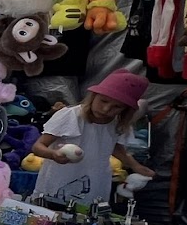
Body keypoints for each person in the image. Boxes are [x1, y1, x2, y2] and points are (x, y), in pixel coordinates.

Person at [31, 69, 154, 206]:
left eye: (117, 106)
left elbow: (114, 147)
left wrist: (136, 166)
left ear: (125, 109)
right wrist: (53, 154)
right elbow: (38, 147)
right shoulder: (70, 116)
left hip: (96, 183)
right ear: (93, 96)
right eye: (103, 101)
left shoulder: (117, 124)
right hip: (58, 182)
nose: (106, 109)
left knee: (88, 214)